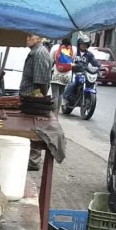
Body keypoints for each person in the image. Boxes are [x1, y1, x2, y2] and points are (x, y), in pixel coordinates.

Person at [19, 33, 52, 170]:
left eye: (30, 36)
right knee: (28, 129)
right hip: (29, 98)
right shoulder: (34, 52)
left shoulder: (39, 54)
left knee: (34, 129)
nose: (27, 38)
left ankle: (33, 161)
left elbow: (42, 81)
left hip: (34, 100)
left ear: (39, 38)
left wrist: (40, 99)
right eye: (26, 36)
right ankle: (30, 159)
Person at [63, 35, 99, 105]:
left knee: (91, 83)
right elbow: (68, 60)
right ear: (79, 44)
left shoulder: (89, 54)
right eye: (82, 44)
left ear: (87, 45)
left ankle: (87, 98)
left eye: (85, 44)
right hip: (74, 72)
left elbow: (95, 62)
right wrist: (72, 64)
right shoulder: (74, 52)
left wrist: (99, 67)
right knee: (72, 84)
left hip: (84, 73)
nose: (83, 45)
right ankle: (65, 97)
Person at [51, 37, 75, 114]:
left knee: (55, 95)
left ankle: (54, 115)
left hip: (56, 73)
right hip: (67, 75)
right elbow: (73, 61)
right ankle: (57, 115)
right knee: (60, 94)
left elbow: (50, 59)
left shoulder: (55, 47)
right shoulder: (73, 49)